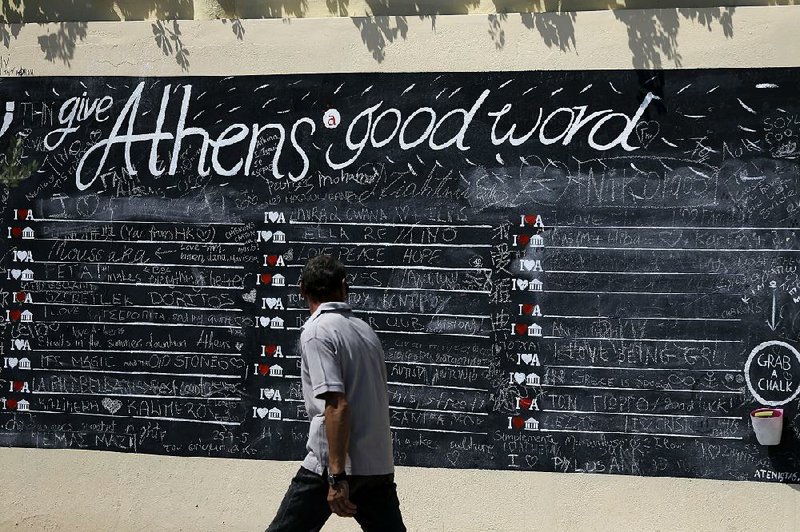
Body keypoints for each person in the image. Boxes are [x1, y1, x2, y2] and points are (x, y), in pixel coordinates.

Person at [267, 255, 405, 532]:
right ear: (345, 286)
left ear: (301, 290)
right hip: (376, 466)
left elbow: (337, 405)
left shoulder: (317, 332)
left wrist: (336, 476)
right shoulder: (365, 331)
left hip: (331, 467)